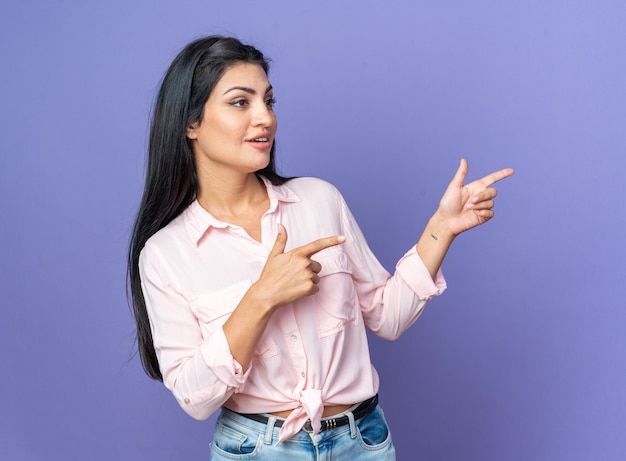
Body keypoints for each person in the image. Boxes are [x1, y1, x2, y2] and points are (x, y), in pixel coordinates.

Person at [127, 35, 514, 460]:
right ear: (191, 123)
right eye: (241, 102)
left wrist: (442, 228)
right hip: (258, 451)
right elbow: (195, 398)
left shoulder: (318, 201)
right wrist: (262, 297)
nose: (265, 118)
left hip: (362, 443)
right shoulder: (166, 254)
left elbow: (388, 317)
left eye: (269, 102)